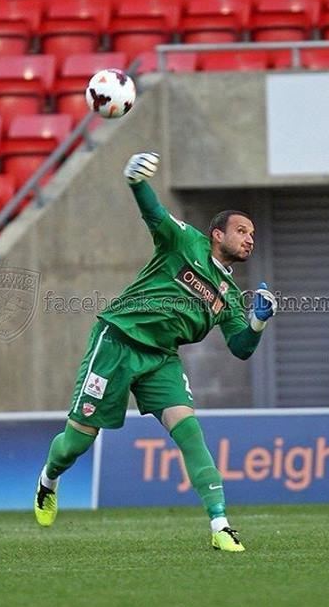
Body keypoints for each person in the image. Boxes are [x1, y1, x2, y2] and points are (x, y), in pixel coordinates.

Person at [34, 152, 277, 552]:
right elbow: (155, 214)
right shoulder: (184, 241)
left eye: (252, 234)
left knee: (191, 435)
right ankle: (48, 479)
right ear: (217, 234)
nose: (250, 238)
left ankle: (220, 525)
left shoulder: (230, 296)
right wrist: (136, 182)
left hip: (161, 358)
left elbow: (241, 348)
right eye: (242, 230)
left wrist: (258, 322)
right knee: (77, 443)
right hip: (117, 341)